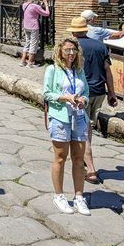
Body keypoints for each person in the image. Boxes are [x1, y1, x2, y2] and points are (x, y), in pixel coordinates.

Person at [42, 37, 90, 216]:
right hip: (60, 117)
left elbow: (85, 91)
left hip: (78, 117)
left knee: (79, 158)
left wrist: (83, 100)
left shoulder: (79, 70)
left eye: (74, 50)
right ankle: (59, 196)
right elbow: (46, 93)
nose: (71, 53)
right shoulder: (52, 70)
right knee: (60, 157)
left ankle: (79, 196)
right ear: (60, 51)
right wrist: (66, 98)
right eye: (67, 50)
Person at [69, 17, 118, 184]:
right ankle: (81, 160)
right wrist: (112, 93)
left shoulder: (73, 48)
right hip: (99, 92)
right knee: (87, 128)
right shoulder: (100, 45)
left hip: (81, 94)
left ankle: (90, 170)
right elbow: (108, 71)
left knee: (84, 132)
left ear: (74, 32)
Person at [20, 0, 50, 68]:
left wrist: (39, 3)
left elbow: (32, 8)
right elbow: (46, 14)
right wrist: (46, 5)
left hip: (26, 26)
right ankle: (30, 63)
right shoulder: (35, 6)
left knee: (27, 42)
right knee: (33, 44)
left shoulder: (24, 5)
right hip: (33, 27)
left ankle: (23, 61)